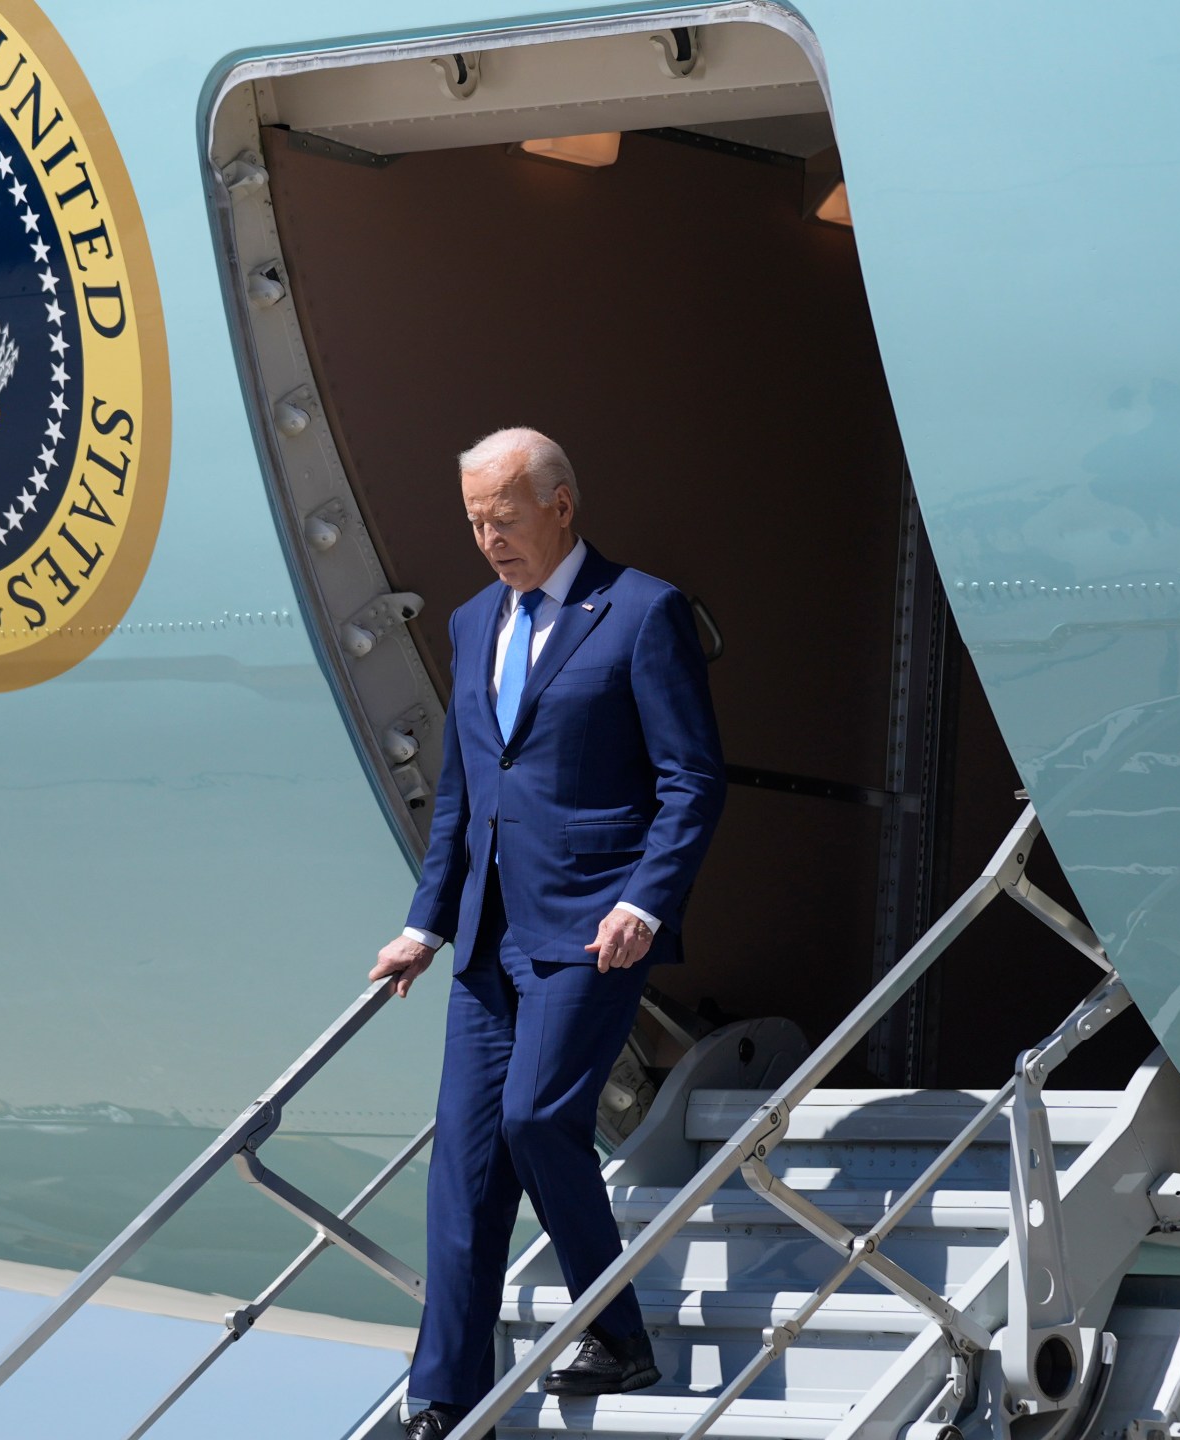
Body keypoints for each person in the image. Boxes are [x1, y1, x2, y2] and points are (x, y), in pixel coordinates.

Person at [372, 428, 725, 1438]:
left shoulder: (642, 611)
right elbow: (463, 794)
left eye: (505, 517)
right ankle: (440, 1399)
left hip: (594, 927)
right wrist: (422, 925)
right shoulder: (473, 620)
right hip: (489, 931)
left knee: (537, 1121)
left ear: (560, 506)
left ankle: (615, 1331)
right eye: (475, 520)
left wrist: (647, 900)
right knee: (467, 1171)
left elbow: (691, 779)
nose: (488, 539)